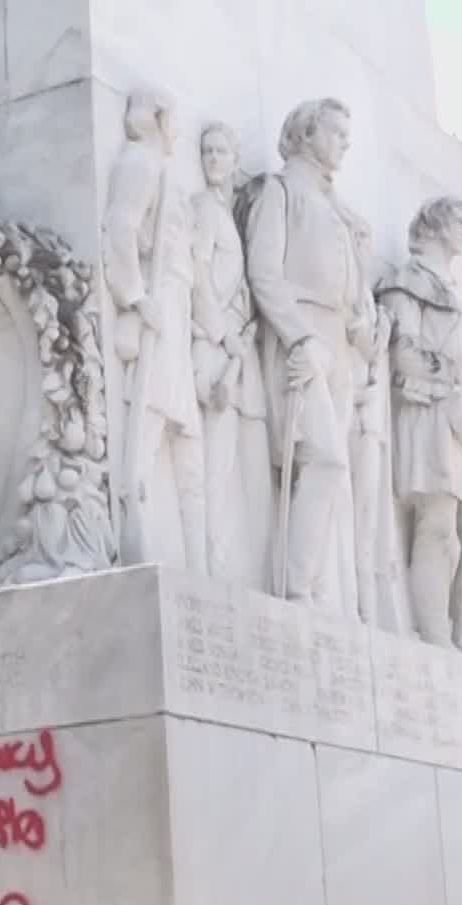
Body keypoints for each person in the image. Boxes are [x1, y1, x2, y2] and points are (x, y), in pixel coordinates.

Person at [244, 98, 376, 612]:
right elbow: (264, 273)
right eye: (336, 132)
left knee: (329, 467)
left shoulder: (334, 207)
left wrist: (359, 325)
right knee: (323, 456)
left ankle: (313, 585)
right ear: (305, 133)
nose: (345, 141)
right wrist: (299, 338)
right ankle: (295, 588)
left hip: (338, 342)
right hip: (300, 337)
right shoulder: (281, 192)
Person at [380, 196, 462, 653]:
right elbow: (404, 351)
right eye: (458, 221)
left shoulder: (460, 295)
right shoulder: (406, 281)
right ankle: (435, 634)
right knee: (438, 523)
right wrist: (451, 388)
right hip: (429, 411)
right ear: (434, 226)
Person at [105, 88, 205, 571]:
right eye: (174, 120)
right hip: (160, 294)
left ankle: (191, 557)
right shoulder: (140, 163)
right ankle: (134, 530)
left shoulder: (157, 169)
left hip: (177, 299)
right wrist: (135, 295)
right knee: (149, 416)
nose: (179, 131)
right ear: (161, 119)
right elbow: (120, 227)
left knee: (176, 423)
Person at [188, 120, 270, 588]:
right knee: (215, 467)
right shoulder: (202, 208)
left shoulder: (225, 214)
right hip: (213, 349)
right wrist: (225, 335)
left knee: (240, 466)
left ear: (236, 158)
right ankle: (214, 568)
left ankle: (237, 569)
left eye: (222, 151)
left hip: (236, 352)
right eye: (207, 151)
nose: (214, 159)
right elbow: (196, 275)